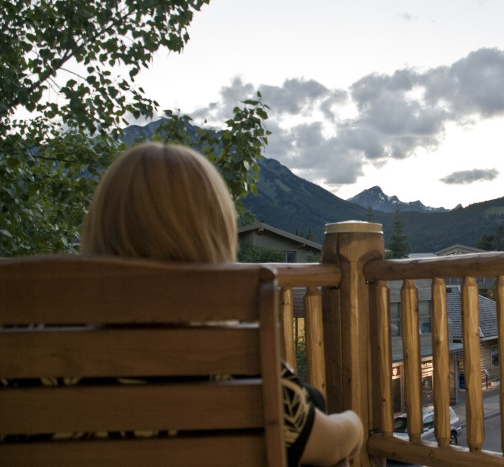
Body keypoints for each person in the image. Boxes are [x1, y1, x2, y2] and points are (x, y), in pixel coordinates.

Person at [81, 142, 364, 466]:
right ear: (213, 238)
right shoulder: (237, 362)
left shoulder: (32, 348)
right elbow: (329, 444)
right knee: (312, 407)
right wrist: (355, 425)